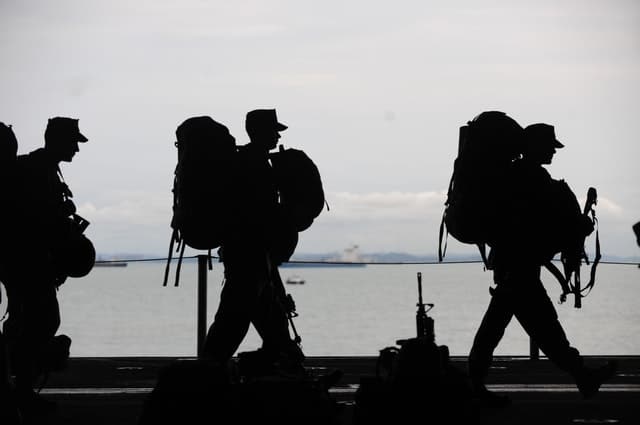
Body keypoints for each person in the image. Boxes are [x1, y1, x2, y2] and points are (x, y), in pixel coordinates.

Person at [468, 123, 617, 406]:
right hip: (519, 266)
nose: (553, 151)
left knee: (520, 326)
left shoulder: (517, 176)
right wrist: (581, 225)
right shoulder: (531, 177)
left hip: (514, 265)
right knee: (537, 328)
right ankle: (581, 375)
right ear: (534, 146)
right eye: (549, 146)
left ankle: (581, 375)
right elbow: (548, 221)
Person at [202, 109, 303, 375]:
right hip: (249, 252)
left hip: (252, 252)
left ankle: (289, 361)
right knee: (235, 316)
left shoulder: (249, 160)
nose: (277, 135)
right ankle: (209, 369)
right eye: (273, 130)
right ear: (258, 131)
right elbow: (257, 214)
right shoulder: (253, 164)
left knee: (268, 314)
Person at [1, 117, 88, 415]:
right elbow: (33, 221)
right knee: (42, 321)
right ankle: (22, 391)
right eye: (73, 141)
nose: (77, 148)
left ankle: (17, 388)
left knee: (26, 323)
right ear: (58, 140)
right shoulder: (38, 170)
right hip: (27, 261)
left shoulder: (44, 168)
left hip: (26, 261)